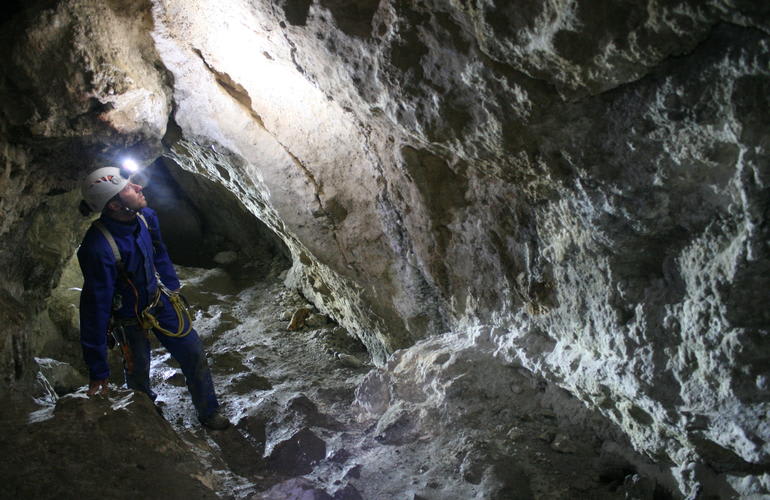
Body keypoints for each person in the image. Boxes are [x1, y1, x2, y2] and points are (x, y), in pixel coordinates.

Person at [77, 166, 230, 430]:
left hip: (159, 301)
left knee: (194, 353)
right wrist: (98, 369)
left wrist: (173, 288)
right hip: (127, 318)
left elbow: (159, 253)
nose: (138, 188)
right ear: (114, 206)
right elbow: (94, 308)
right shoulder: (98, 247)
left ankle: (209, 411)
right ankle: (150, 423)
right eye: (128, 188)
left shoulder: (146, 217)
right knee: (137, 377)